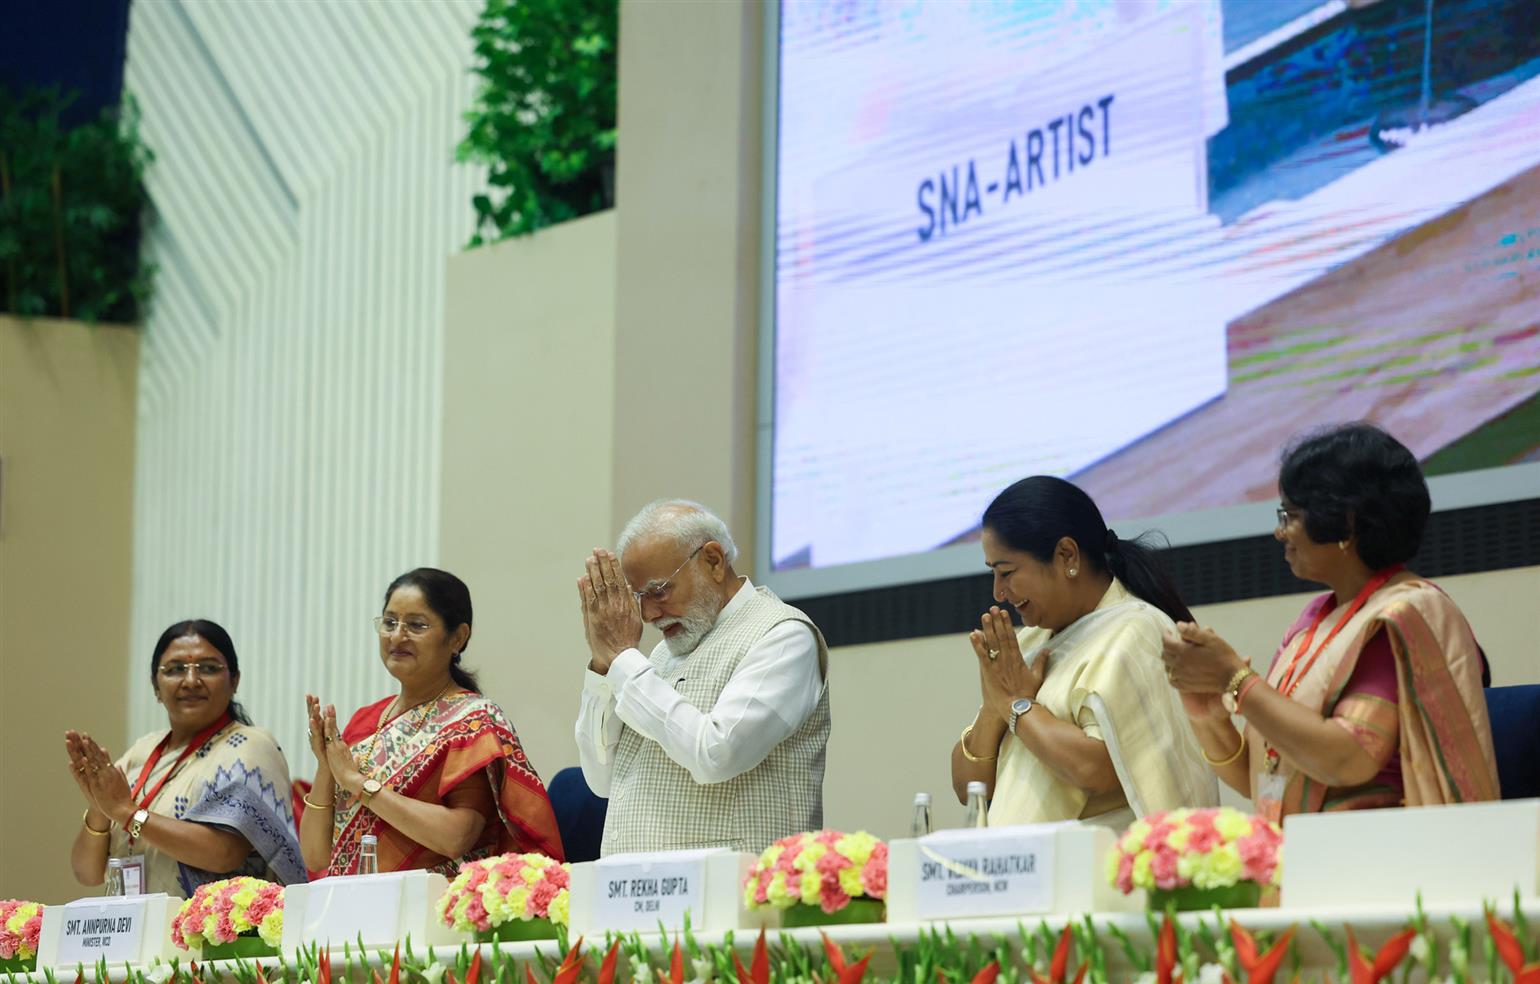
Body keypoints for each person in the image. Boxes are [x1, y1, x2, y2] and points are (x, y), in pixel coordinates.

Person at [1162, 423, 1499, 822]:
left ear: (1347, 524)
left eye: (1290, 515)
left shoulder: (1402, 615)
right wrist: (1209, 714)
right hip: (1310, 852)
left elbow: (1348, 759)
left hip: (1381, 855)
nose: (1279, 531)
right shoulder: (1312, 622)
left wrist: (1235, 680)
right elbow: (1265, 781)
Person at [950, 477, 1217, 828]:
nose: (999, 592)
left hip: (1102, 870)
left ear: (1066, 555)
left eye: (1007, 572)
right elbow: (969, 788)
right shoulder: (1029, 643)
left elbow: (1096, 771)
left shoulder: (1136, 631)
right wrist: (995, 706)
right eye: (994, 574)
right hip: (1021, 869)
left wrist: (1019, 706)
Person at [575, 499, 830, 855]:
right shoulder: (661, 655)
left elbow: (717, 754)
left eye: (659, 590)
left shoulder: (782, 635)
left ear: (713, 560)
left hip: (735, 895)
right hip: (638, 893)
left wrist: (624, 661)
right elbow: (602, 780)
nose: (647, 614)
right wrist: (605, 665)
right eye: (638, 598)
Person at [301, 568, 563, 875]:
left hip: (430, 909)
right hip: (355, 904)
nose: (397, 636)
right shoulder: (365, 720)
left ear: (457, 637)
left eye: (416, 625)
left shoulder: (473, 723)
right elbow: (316, 857)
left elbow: (457, 837)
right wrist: (325, 765)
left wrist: (358, 784)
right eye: (389, 622)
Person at [66, 620, 306, 897]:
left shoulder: (249, 746)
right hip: (132, 932)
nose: (191, 681)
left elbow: (225, 853)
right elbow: (87, 873)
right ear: (156, 684)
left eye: (208, 668)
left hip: (216, 934)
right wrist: (99, 807)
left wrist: (126, 812)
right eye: (176, 669)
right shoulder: (142, 752)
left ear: (234, 680)